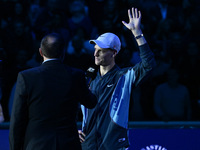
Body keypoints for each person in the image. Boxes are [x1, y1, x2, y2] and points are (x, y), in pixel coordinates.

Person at [78, 7, 156, 150]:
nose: (95, 54)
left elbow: (149, 64)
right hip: (87, 146)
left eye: (100, 51)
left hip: (114, 146)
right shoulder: (88, 78)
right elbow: (70, 104)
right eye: (95, 49)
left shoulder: (124, 76)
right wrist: (72, 128)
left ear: (114, 53)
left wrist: (137, 33)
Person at [9, 33, 97, 150]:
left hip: (37, 145)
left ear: (40, 52)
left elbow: (17, 120)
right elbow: (91, 103)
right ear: (63, 53)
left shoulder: (26, 77)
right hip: (68, 145)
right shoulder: (76, 75)